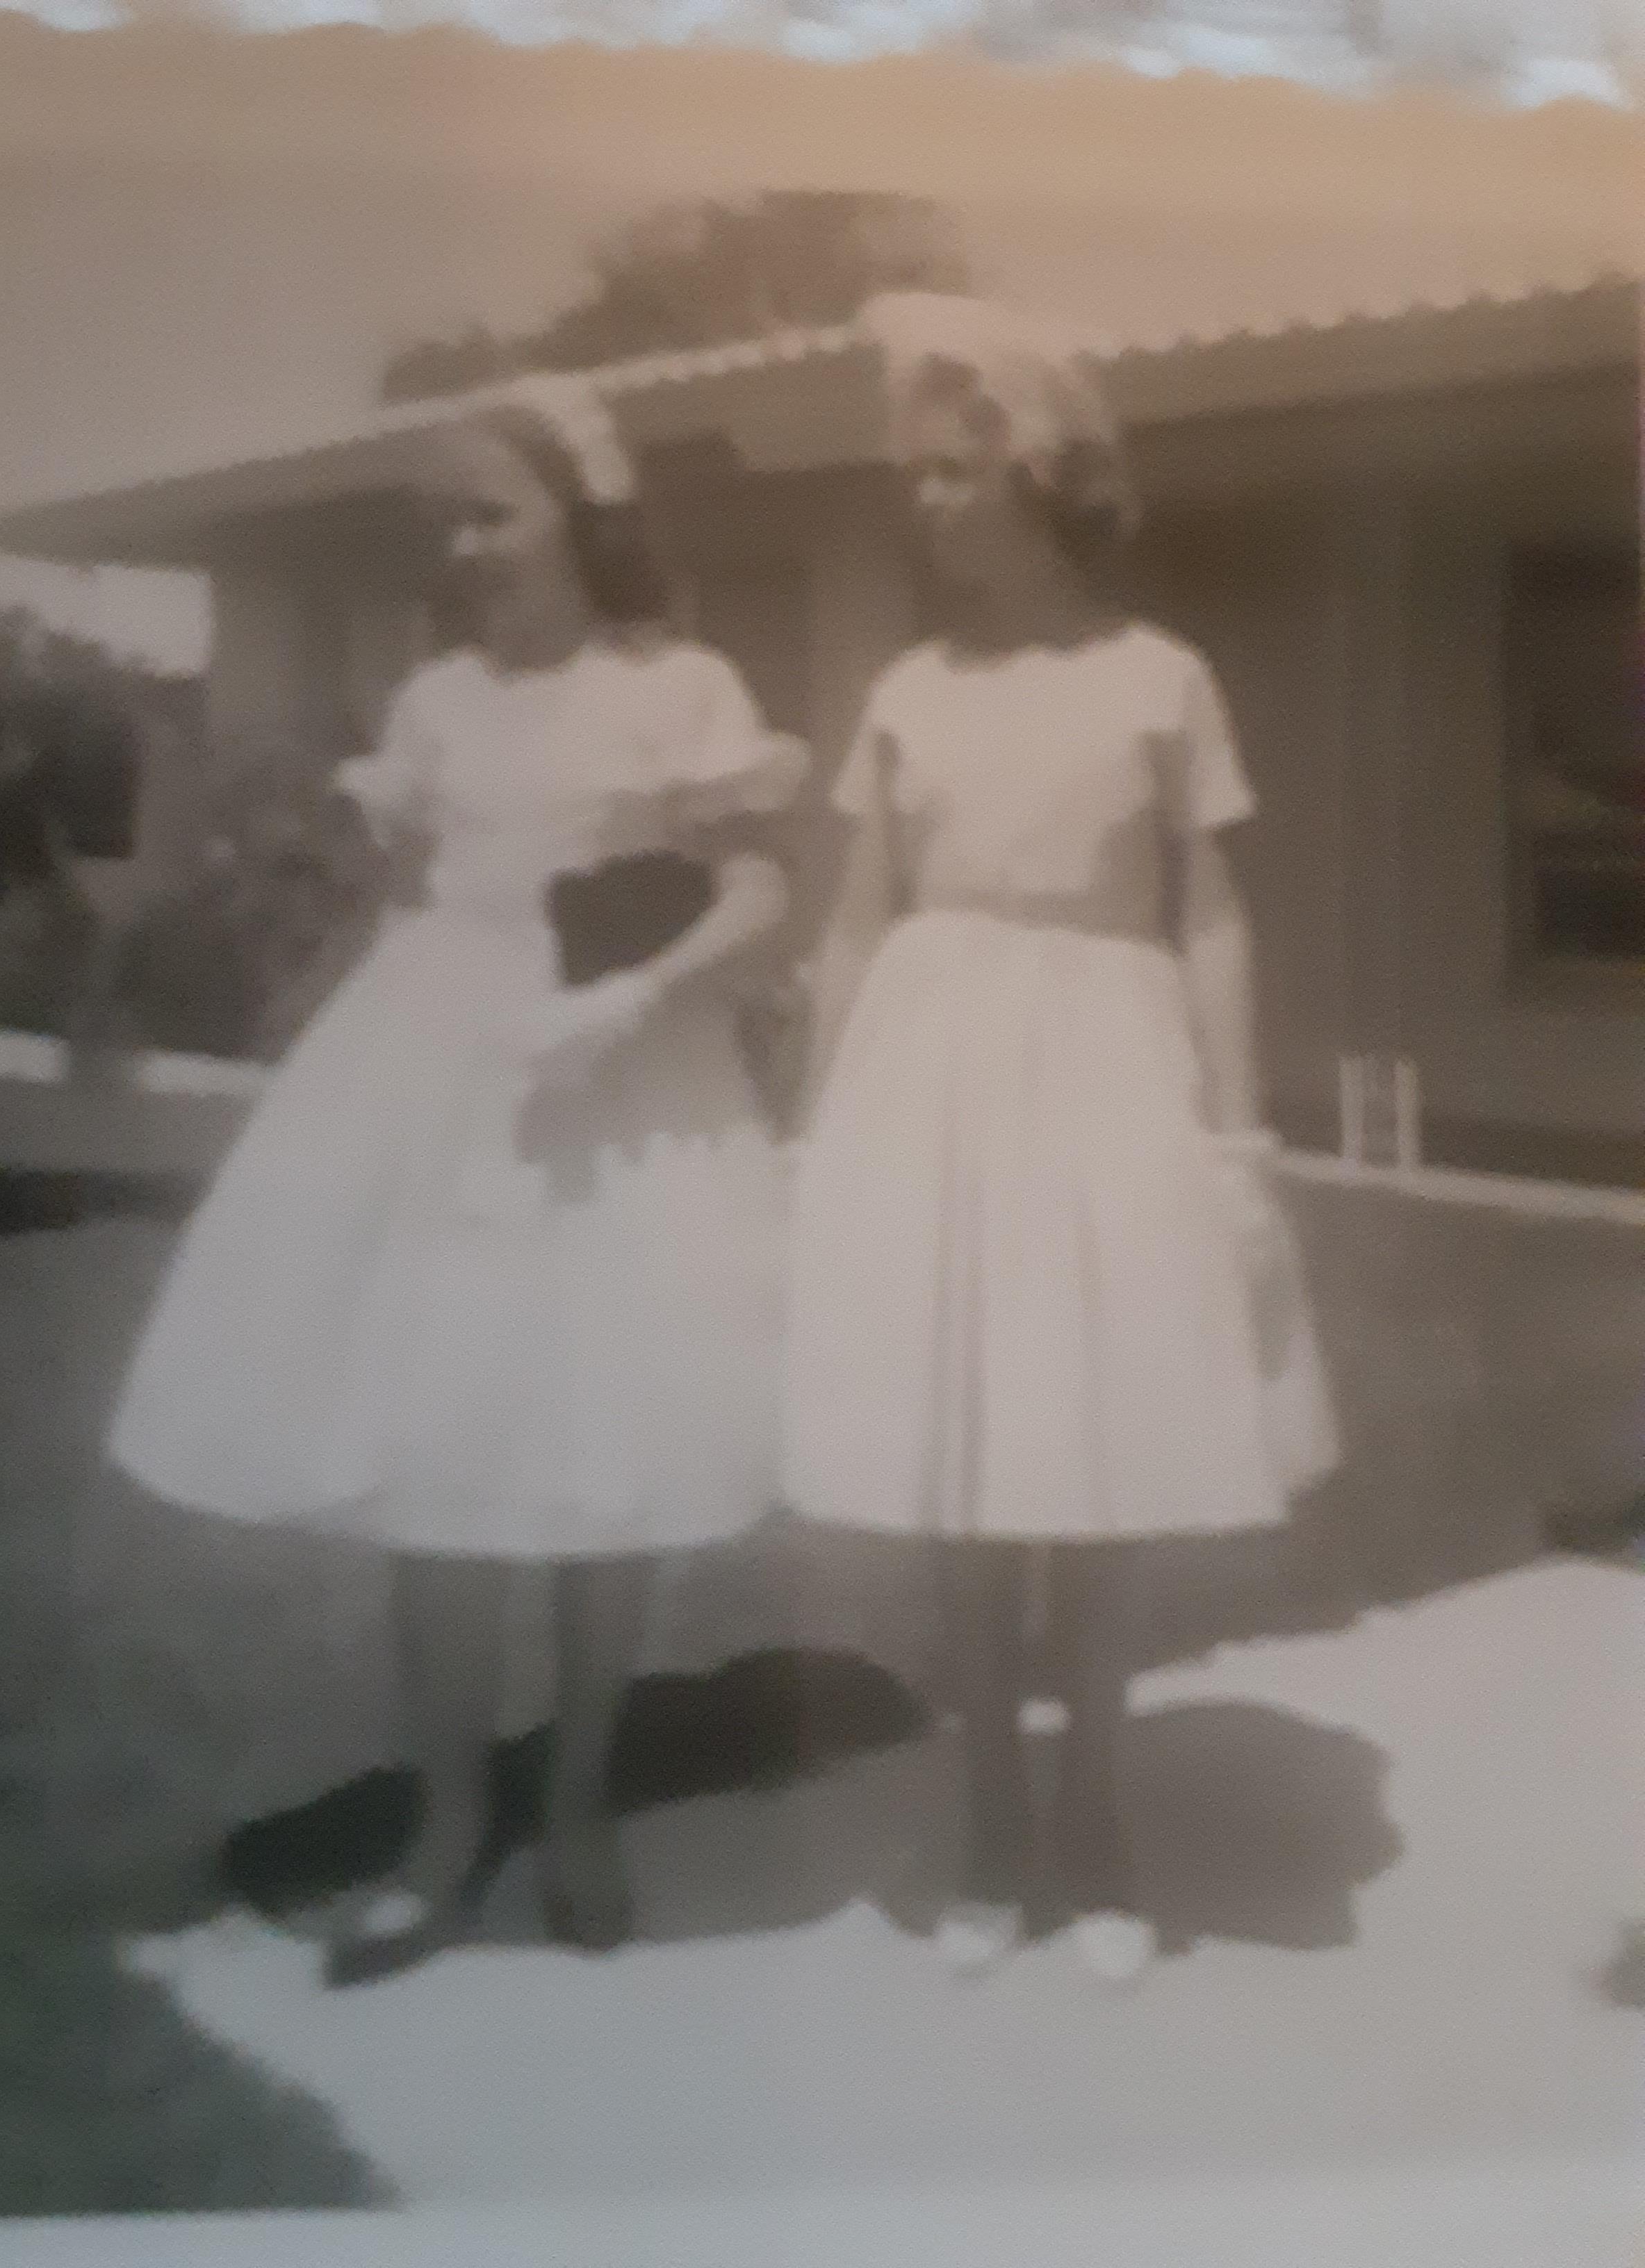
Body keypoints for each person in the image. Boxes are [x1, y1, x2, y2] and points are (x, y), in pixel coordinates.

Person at [108, 387, 805, 1983]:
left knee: (601, 1452)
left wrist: (634, 998)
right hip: (449, 1075)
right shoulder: (438, 703)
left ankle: (572, 1806)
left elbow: (763, 881)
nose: (465, 546)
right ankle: (441, 1825)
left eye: (494, 511)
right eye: (448, 522)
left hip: (620, 1077)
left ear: (581, 512)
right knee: (442, 1455)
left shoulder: (679, 685)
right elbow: (408, 882)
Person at [780, 295, 1340, 1985]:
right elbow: (855, 928)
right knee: (963, 1468)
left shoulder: (1161, 678)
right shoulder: (906, 689)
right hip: (932, 1079)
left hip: (1104, 1069)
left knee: (1092, 1464)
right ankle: (988, 1815)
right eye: (918, 476)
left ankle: (1093, 1820)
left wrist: (1236, 1132)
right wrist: (815, 1135)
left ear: (1040, 475)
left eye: (956, 472)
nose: (928, 502)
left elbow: (1213, 918)